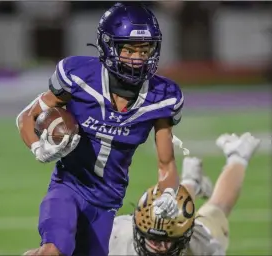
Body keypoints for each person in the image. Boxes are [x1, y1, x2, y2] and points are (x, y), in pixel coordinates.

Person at [17, 2, 185, 256]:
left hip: (107, 203)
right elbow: (27, 118)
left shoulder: (163, 97)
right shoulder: (79, 76)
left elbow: (166, 164)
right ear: (109, 46)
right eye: (129, 49)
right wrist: (38, 148)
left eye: (145, 49)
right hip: (68, 187)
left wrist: (168, 193)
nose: (138, 58)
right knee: (52, 250)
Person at [109, 132, 261, 255]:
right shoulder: (115, 238)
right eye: (153, 240)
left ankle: (238, 154)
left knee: (216, 212)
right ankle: (192, 179)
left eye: (166, 241)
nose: (159, 248)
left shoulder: (201, 246)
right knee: (176, 213)